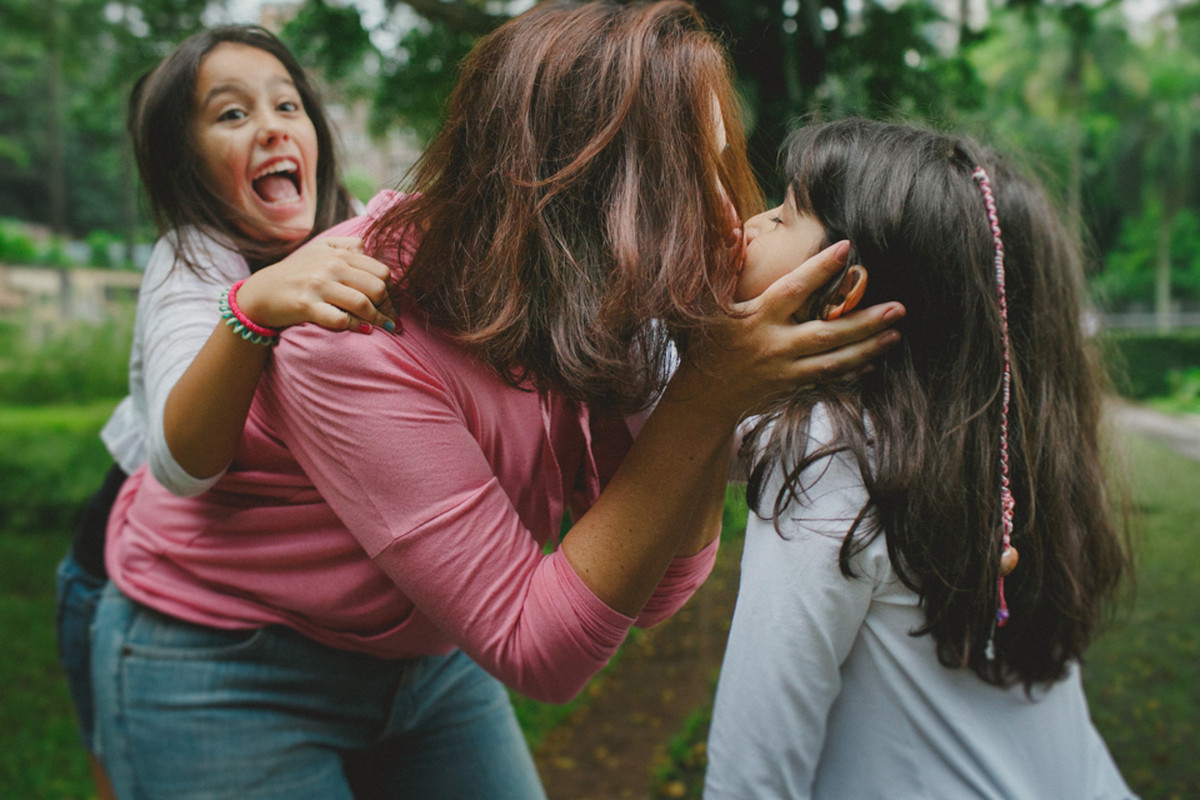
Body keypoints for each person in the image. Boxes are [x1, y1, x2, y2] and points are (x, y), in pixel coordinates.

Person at [92, 4, 904, 799]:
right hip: (228, 659)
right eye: (690, 179)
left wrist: (708, 396)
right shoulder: (348, 325)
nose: (729, 220)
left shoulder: (600, 301)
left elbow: (652, 593)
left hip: (423, 652)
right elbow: (539, 650)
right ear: (585, 190)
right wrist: (702, 401)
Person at [704, 118, 1135, 799]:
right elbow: (693, 428)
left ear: (844, 291)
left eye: (784, 214)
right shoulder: (999, 455)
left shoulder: (828, 460)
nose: (751, 224)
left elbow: (751, 776)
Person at [54, 24, 393, 799]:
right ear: (189, 163)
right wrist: (254, 309)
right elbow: (181, 463)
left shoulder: (355, 235)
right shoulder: (192, 258)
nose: (273, 123)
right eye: (232, 114)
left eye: (287, 104)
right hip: (119, 577)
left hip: (293, 615)